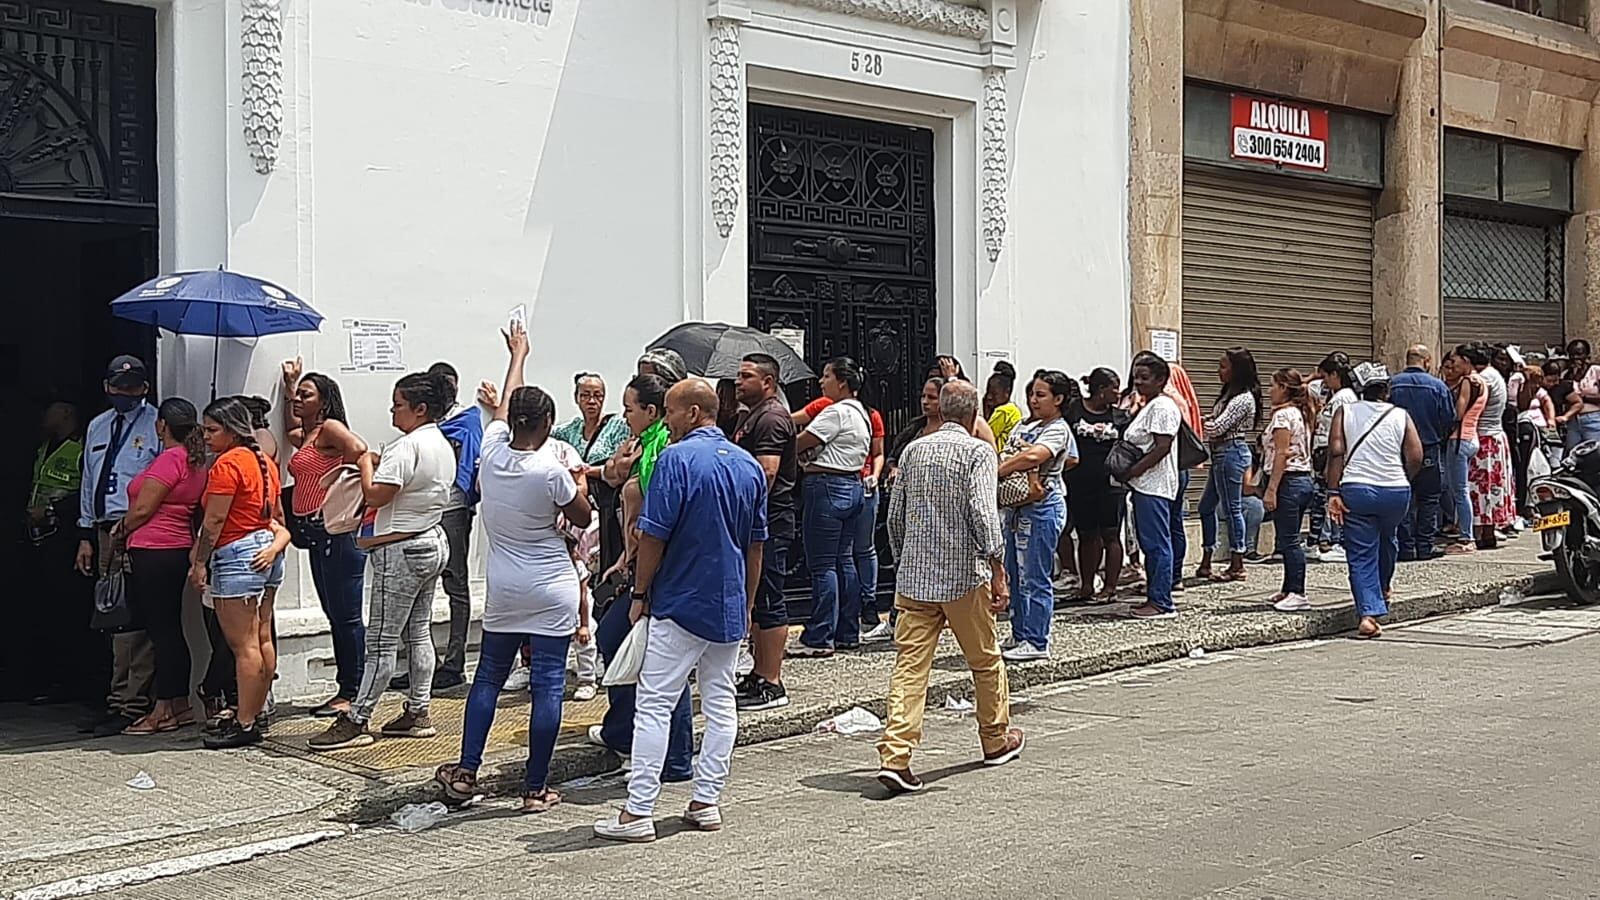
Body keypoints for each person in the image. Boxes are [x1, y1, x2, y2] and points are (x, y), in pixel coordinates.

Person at [593, 379, 767, 843]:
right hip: (727, 602)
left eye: (670, 411)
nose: (665, 420)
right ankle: (706, 799)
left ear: (692, 413)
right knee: (720, 700)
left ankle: (639, 811)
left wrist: (639, 594)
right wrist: (747, 604)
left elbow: (654, 535)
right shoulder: (748, 466)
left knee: (655, 703)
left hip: (681, 600)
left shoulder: (676, 460)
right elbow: (755, 546)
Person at [434, 321, 592, 812]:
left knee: (487, 679)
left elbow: (505, 403)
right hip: (550, 584)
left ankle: (465, 770)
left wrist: (517, 355)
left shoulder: (491, 452)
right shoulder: (550, 471)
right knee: (548, 682)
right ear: (546, 424)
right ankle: (534, 787)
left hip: (504, 585)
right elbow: (582, 517)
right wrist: (578, 485)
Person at [876, 380, 1023, 793]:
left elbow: (895, 517)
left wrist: (904, 557)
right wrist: (998, 566)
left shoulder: (914, 450)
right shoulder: (978, 452)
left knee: (910, 667)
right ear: (974, 415)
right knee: (985, 660)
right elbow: (982, 509)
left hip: (915, 578)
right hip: (962, 576)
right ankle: (995, 739)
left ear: (940, 410)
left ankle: (896, 754)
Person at [308, 371, 457, 751]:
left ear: (420, 409)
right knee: (418, 631)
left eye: (399, 405)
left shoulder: (407, 447)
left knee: (381, 640)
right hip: (430, 538)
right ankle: (418, 710)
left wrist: (364, 461)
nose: (393, 411)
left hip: (401, 547)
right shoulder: (440, 442)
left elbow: (375, 495)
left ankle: (358, 718)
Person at [590, 373, 694, 776]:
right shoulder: (643, 447)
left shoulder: (661, 452)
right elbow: (615, 478)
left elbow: (655, 521)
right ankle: (627, 731)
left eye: (630, 408)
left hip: (656, 569)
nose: (625, 415)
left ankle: (672, 754)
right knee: (622, 642)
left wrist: (641, 582)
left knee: (660, 658)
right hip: (636, 563)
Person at [192, 397, 292, 749]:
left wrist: (200, 561)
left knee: (243, 645)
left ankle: (245, 719)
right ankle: (254, 713)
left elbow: (215, 521)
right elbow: (276, 514)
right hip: (266, 547)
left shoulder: (227, 464)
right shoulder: (264, 461)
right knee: (262, 638)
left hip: (237, 553)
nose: (205, 437)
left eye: (212, 430)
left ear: (232, 430)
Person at [75, 355, 161, 737]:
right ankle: (115, 696)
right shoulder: (97, 426)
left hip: (137, 527)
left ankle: (130, 702)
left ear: (144, 388)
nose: (124, 393)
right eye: (118, 386)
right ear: (107, 387)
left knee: (131, 618)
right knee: (110, 613)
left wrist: (131, 527)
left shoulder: (155, 425)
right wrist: (85, 534)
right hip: (103, 529)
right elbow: (88, 483)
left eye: (132, 387)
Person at [113, 398, 208, 734]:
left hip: (154, 548)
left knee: (160, 631)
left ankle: (164, 708)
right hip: (175, 546)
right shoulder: (194, 461)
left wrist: (118, 532)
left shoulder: (170, 459)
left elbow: (143, 510)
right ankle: (178, 704)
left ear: (162, 426)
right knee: (169, 628)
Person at [280, 362, 370, 718]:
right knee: (333, 613)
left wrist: (351, 487)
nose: (299, 400)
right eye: (298, 395)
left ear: (325, 401)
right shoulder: (309, 436)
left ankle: (353, 689)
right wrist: (289, 388)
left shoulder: (332, 429)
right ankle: (346, 685)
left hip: (338, 532)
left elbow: (361, 450)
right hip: (317, 535)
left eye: (306, 395)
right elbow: (291, 431)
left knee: (346, 616)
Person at [1326, 363, 1423, 639]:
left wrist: (1333, 492)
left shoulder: (1344, 412)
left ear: (1359, 389)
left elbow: (1336, 452)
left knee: (1360, 552)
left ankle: (1368, 613)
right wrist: (1403, 477)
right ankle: (1383, 588)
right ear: (1387, 389)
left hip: (1357, 489)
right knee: (1388, 538)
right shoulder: (1400, 415)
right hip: (1395, 490)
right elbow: (1416, 456)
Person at [406, 360, 486, 692]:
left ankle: (454, 663)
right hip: (424, 506)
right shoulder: (424, 422)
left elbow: (471, 462)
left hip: (452, 507)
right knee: (417, 584)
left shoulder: (466, 420)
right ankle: (419, 663)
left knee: (455, 582)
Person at [791, 357, 874, 657]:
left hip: (826, 485)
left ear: (842, 382)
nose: (821, 382)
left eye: (827, 376)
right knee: (845, 560)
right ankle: (847, 631)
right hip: (852, 485)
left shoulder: (835, 412)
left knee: (823, 564)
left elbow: (801, 442)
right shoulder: (862, 413)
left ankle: (820, 634)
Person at [731, 353, 798, 711]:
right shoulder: (751, 415)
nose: (739, 382)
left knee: (770, 595)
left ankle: (772, 681)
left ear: (768, 382)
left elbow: (766, 473)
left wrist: (741, 510)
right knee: (755, 597)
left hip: (769, 518)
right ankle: (758, 672)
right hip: (758, 520)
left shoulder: (771, 418)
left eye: (746, 376)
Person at [999, 370, 1078, 660]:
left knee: (1036, 575)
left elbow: (1034, 456)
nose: (1034, 400)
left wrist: (1001, 471)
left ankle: (1037, 640)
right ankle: (1019, 633)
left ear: (1058, 399)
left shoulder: (1058, 428)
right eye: (1032, 393)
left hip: (1043, 506)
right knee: (1017, 573)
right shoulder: (1023, 425)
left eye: (1041, 395)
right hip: (1017, 508)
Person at [23, 401, 85, 704]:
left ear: (65, 414)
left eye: (50, 412)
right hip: (40, 536)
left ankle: (74, 681)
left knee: (68, 610)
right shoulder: (45, 447)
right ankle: (53, 678)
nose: (43, 417)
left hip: (66, 535)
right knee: (45, 609)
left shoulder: (80, 448)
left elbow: (84, 491)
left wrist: (51, 509)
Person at [1121, 355, 1182, 620]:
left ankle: (1161, 600)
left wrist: (1135, 469)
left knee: (1157, 544)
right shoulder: (1148, 406)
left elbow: (1162, 446)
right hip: (1144, 485)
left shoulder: (1162, 407)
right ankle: (1155, 595)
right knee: (1151, 543)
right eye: (1137, 376)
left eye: (1145, 377)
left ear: (1160, 380)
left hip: (1154, 485)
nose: (1139, 382)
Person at [553, 372, 632, 574]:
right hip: (577, 502)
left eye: (598, 395)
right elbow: (541, 432)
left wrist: (587, 470)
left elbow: (621, 463)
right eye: (585, 395)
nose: (592, 401)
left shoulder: (617, 426)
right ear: (576, 397)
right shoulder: (569, 429)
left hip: (604, 505)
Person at [1197, 347, 1262, 583]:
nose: (1218, 371)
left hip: (1231, 453)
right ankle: (1207, 556)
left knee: (1233, 508)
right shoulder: (1227, 394)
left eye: (1223, 366)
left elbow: (1217, 427)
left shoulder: (1243, 399)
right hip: (1220, 454)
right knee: (1206, 507)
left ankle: (1237, 561)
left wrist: (1198, 424)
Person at [1388, 345, 1454, 562]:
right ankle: (1424, 547)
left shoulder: (1393, 384)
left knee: (1404, 497)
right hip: (1429, 448)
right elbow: (1448, 418)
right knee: (1429, 499)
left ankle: (1406, 548)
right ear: (1426, 361)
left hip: (1398, 450)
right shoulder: (1438, 386)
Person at [1258, 369, 1317, 612]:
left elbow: (1281, 453)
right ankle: (1288, 587)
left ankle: (1298, 591)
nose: (1269, 390)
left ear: (1283, 387)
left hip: (1289, 481)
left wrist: (1271, 489)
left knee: (1290, 540)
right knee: (1286, 536)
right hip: (1301, 479)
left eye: (1273, 385)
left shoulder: (1283, 417)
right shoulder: (1299, 414)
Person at [1308, 352, 1356, 564]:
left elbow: (1341, 432)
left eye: (1326, 376)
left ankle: (1338, 541)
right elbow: (1310, 388)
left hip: (1331, 454)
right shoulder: (1334, 396)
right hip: (1323, 453)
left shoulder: (1344, 398)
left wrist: (1332, 462)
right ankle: (1321, 540)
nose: (1324, 382)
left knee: (1333, 498)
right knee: (1321, 500)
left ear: (1335, 374)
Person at [1467, 343, 1515, 549]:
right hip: (1495, 438)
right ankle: (1488, 532)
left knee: (1482, 487)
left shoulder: (1482, 379)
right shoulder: (1494, 375)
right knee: (1491, 487)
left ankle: (1482, 532)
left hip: (1485, 439)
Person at [1443, 348, 1487, 553]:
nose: (1455, 365)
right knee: (1461, 490)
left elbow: (1459, 412)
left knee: (1460, 491)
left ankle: (1466, 538)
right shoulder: (1482, 381)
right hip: (1471, 436)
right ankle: (1464, 533)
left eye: (1457, 361)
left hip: (1460, 439)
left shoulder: (1469, 382)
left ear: (1466, 361)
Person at [1563, 339, 1600, 449]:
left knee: (1594, 454)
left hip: (1593, 420)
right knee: (1571, 455)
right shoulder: (1567, 375)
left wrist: (1582, 398)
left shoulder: (1596, 371)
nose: (1575, 358)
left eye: (1579, 354)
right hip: (1573, 422)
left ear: (1587, 355)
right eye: (1572, 355)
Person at [985, 361, 1023, 450]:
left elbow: (984, 437)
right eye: (988, 392)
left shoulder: (1003, 411)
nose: (989, 397)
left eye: (994, 393)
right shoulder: (1014, 410)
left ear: (1007, 392)